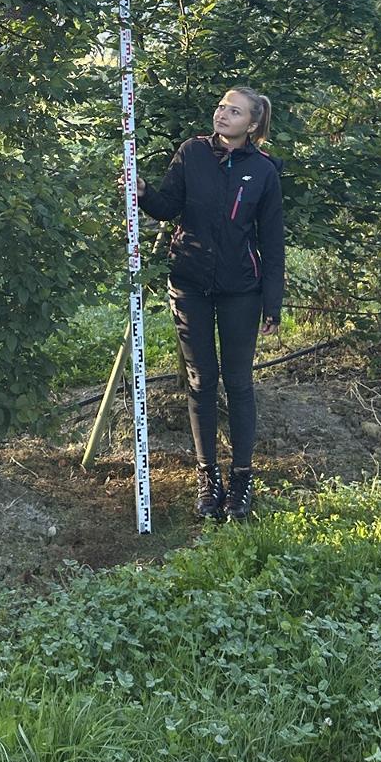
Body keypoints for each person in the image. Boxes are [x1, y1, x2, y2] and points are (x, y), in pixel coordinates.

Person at [135, 87, 283, 522]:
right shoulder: (191, 153)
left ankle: (241, 478)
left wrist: (271, 303)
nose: (222, 114)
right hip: (190, 283)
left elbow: (272, 242)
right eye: (220, 106)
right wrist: (142, 191)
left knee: (238, 382)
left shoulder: (264, 172)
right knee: (201, 380)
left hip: (242, 290)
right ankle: (208, 476)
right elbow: (167, 206)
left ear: (252, 124)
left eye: (233, 111)